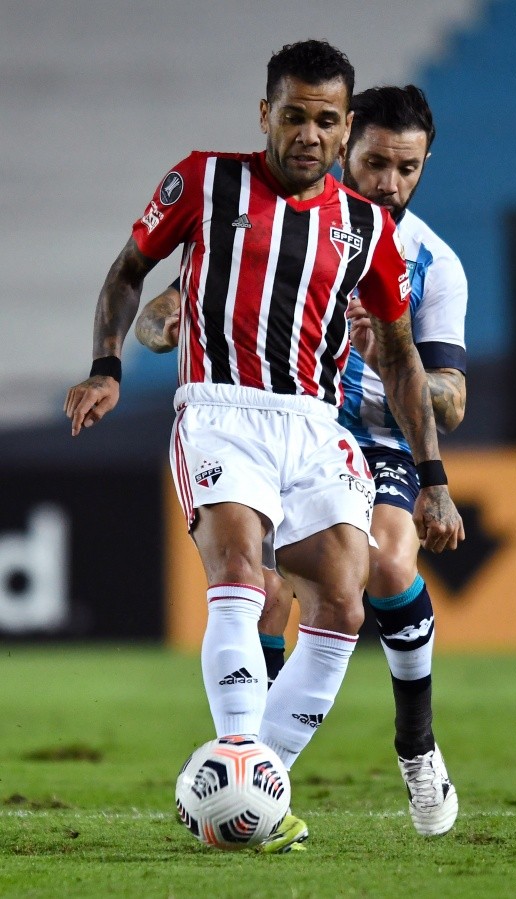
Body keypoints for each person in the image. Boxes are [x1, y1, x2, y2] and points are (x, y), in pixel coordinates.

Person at [65, 42, 464, 852]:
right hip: (221, 411)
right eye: (295, 115)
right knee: (244, 574)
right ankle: (242, 753)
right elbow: (129, 271)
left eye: (325, 119)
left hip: (314, 427)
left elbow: (400, 356)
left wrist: (434, 479)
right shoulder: (206, 181)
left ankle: (252, 786)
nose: (310, 133)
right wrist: (109, 364)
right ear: (266, 114)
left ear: (342, 125)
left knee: (346, 602)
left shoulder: (367, 232)